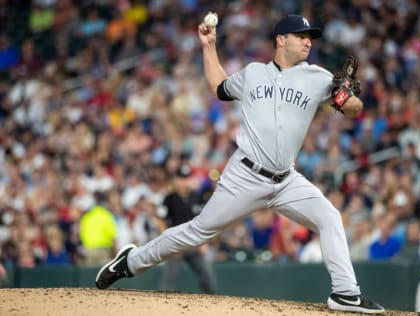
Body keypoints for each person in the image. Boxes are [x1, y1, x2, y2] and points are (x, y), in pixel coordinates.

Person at [95, 14, 384, 314]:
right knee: (197, 232)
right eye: (301, 35)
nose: (308, 41)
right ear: (281, 40)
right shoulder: (254, 73)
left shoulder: (319, 77)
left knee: (329, 217)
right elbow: (219, 87)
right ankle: (129, 262)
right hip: (245, 175)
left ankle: (346, 293)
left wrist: (346, 98)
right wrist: (209, 46)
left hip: (286, 180)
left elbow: (353, 108)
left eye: (310, 36)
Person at [159, 164, 215, 294]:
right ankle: (162, 307)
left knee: (207, 279)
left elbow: (204, 221)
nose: (183, 182)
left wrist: (203, 242)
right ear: (176, 180)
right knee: (169, 282)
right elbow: (161, 220)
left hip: (194, 243)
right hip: (176, 244)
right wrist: (167, 240)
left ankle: (213, 306)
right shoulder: (170, 198)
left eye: (186, 178)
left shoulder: (196, 197)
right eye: (181, 178)